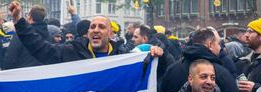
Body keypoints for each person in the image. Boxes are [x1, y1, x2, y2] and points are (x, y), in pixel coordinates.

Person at [10, 1, 163, 63]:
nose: (95, 30)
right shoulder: (72, 51)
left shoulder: (121, 57)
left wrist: (158, 54)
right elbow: (40, 48)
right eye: (92, 27)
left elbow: (151, 71)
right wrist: (19, 21)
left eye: (101, 27)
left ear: (110, 34)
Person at [160, 28, 239, 92]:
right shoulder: (221, 72)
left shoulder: (172, 69)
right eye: (218, 44)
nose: (220, 48)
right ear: (210, 45)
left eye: (212, 78)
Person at [3, 5, 47, 70]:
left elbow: (10, 57)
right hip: (42, 74)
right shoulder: (48, 35)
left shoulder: (21, 34)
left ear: (29, 17)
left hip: (22, 74)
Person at [238, 18, 261, 92]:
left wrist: (255, 88)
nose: (246, 35)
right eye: (246, 31)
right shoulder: (244, 60)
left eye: (250, 31)